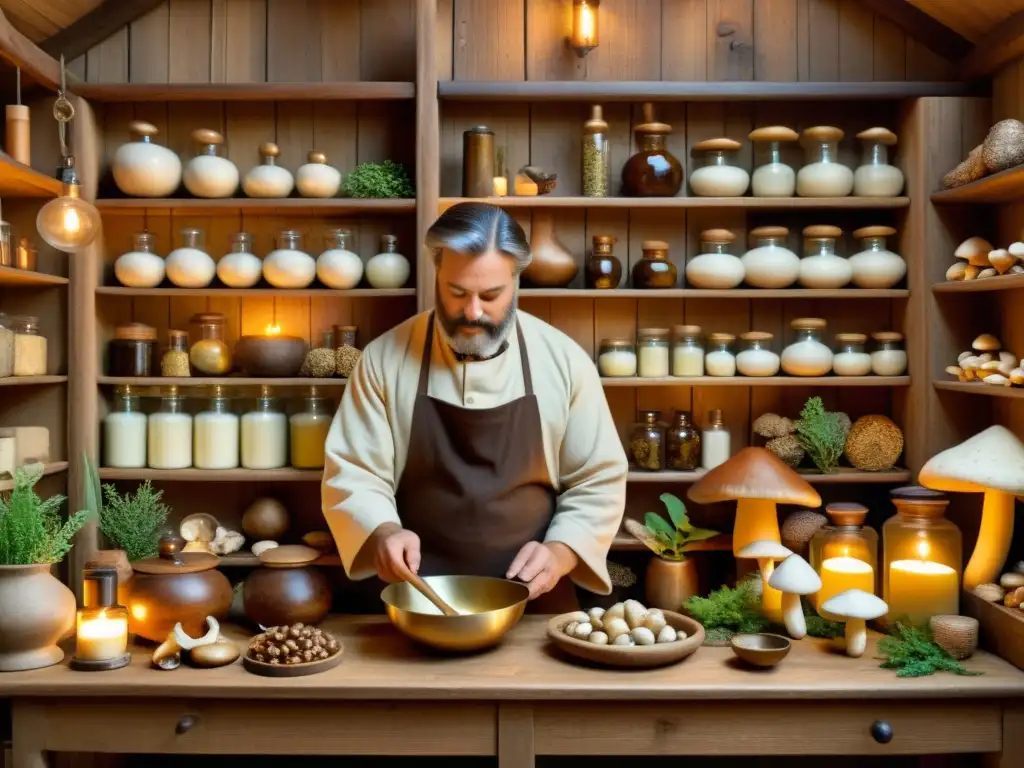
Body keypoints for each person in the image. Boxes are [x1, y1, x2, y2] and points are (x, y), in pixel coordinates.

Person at [322, 201, 628, 611]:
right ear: (437, 273)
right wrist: (381, 532)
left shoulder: (564, 360)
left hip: (535, 600)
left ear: (516, 281)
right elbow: (355, 473)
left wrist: (562, 550)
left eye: (491, 294)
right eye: (457, 292)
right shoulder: (383, 359)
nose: (472, 311)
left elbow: (598, 479)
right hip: (411, 597)